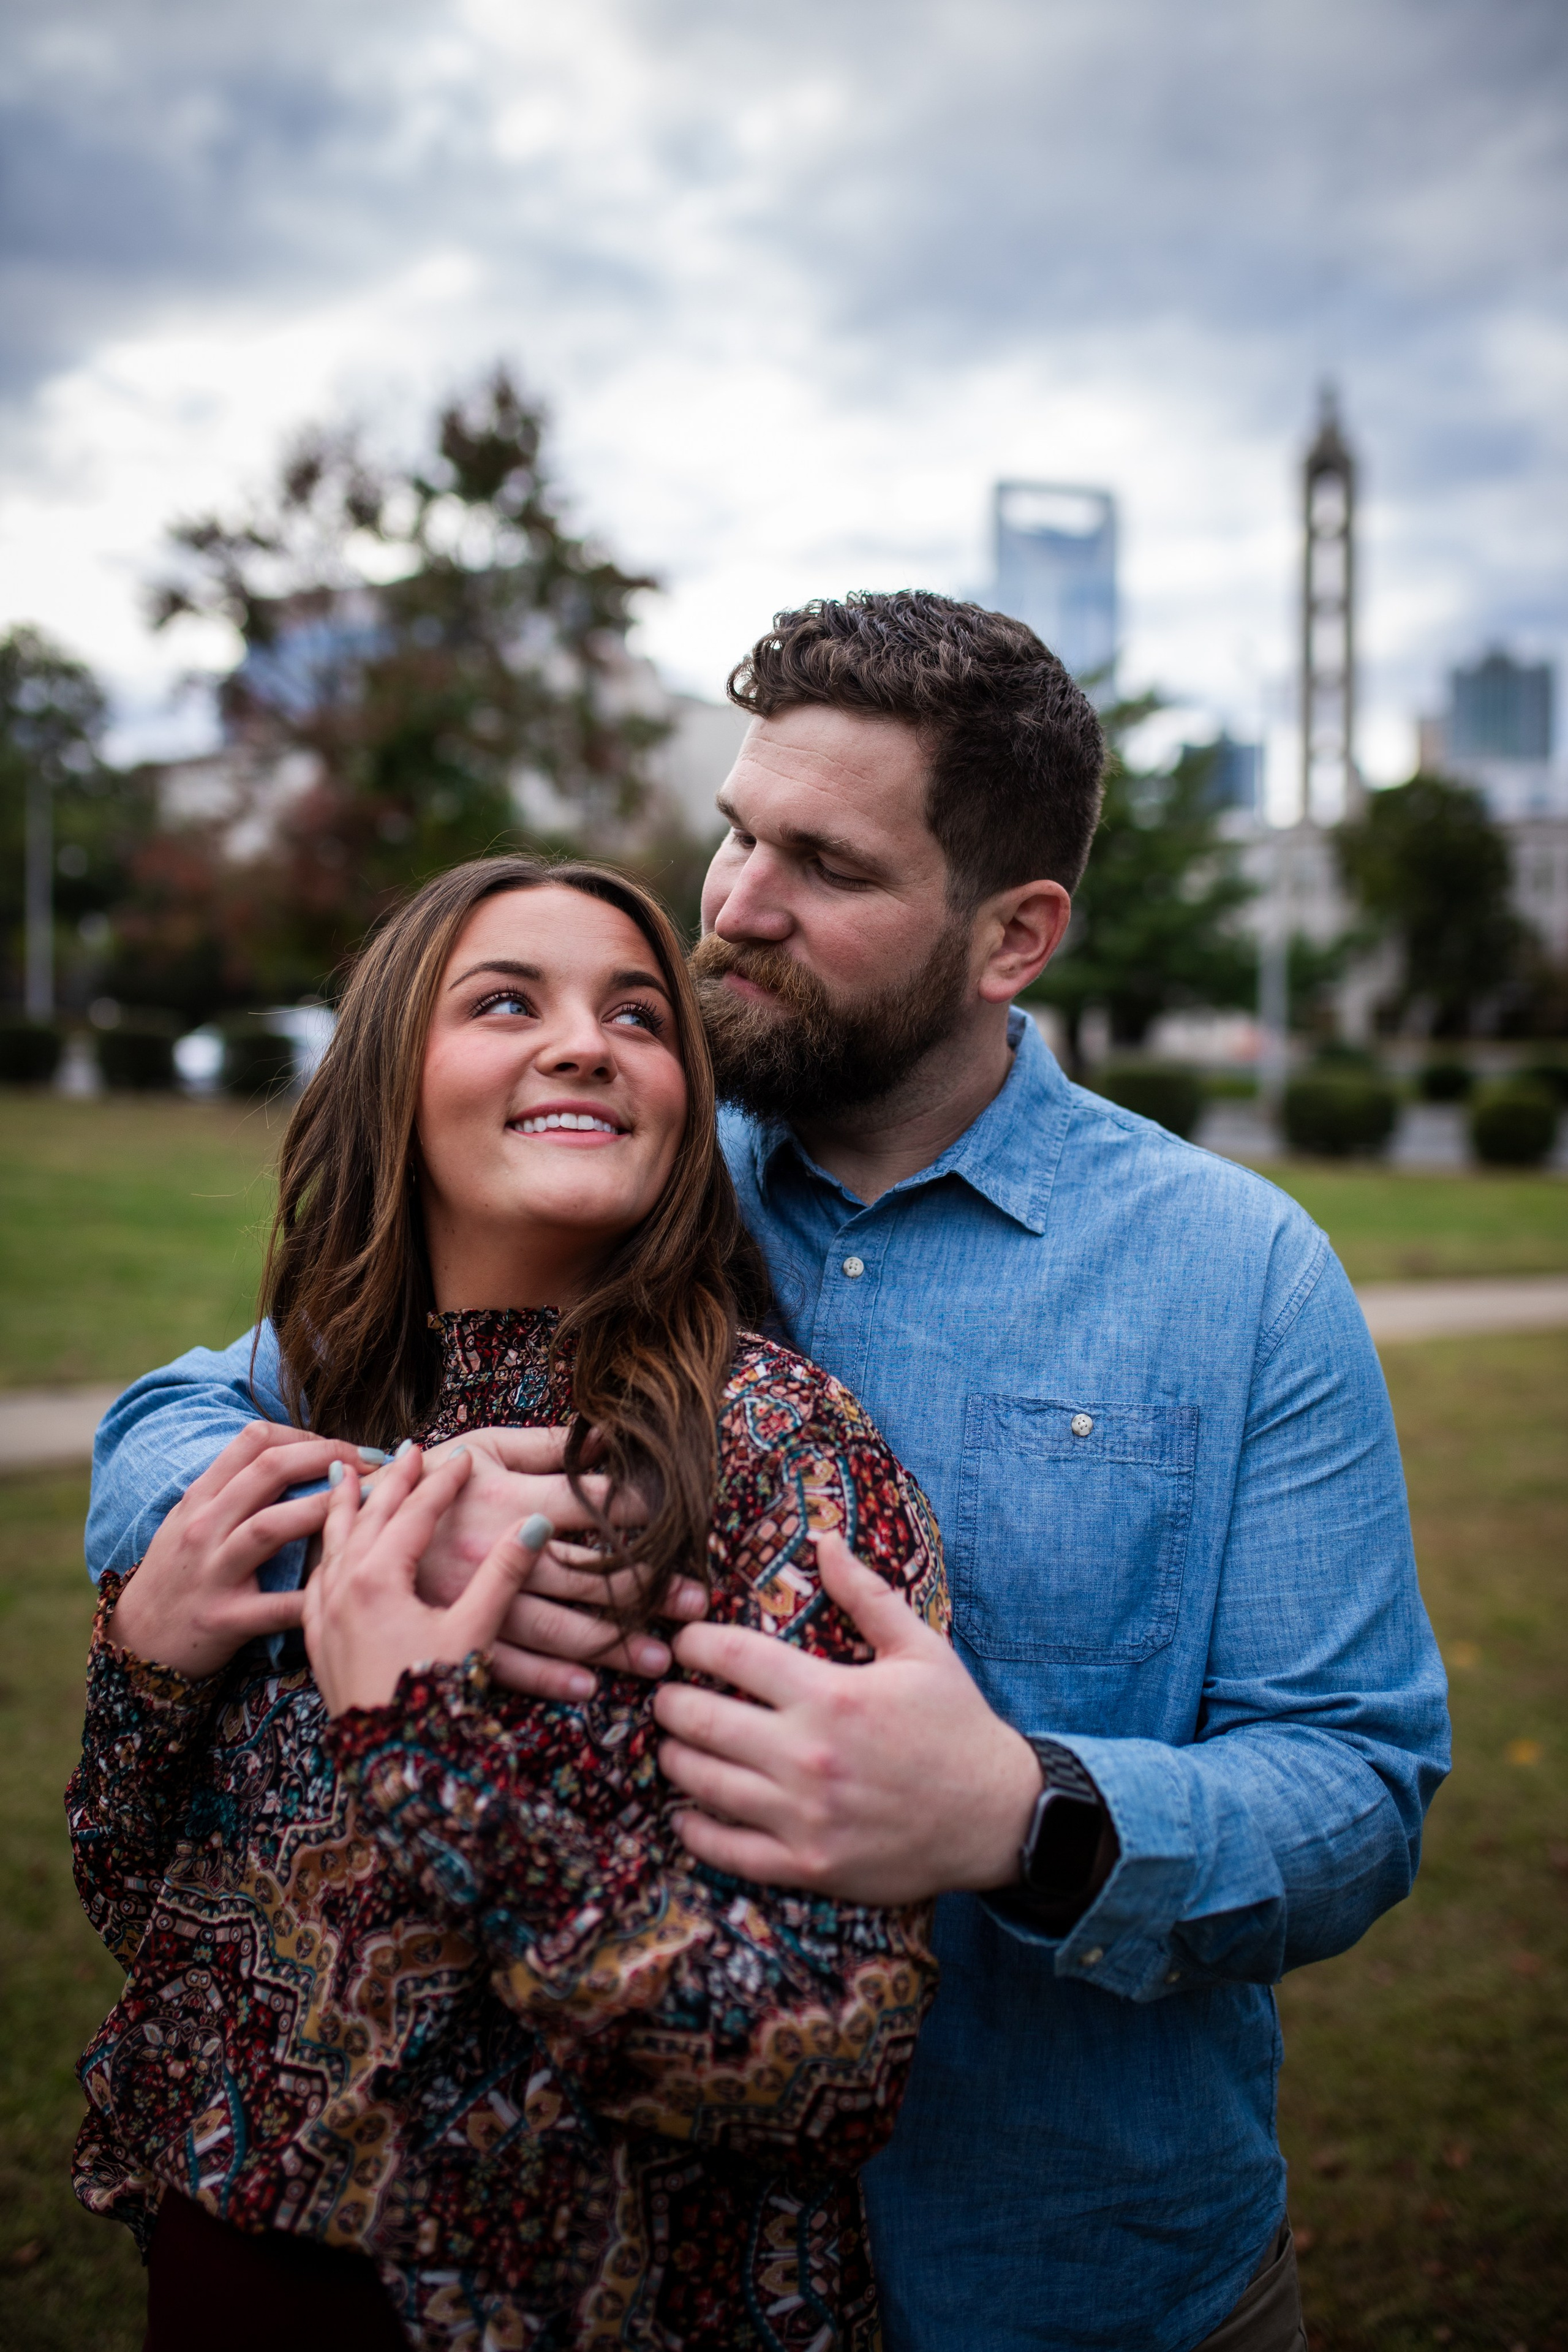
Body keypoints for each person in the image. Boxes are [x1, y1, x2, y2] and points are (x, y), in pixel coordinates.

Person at [87, 595, 1451, 2352]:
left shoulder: (1236, 1274)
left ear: (1011, 934)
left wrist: (1025, 1818)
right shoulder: (626, 1164)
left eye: (824, 862)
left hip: (1065, 2275)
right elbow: (176, 1419)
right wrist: (380, 1513)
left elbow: (1357, 1780)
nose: (733, 901)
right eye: (736, 831)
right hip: (627, 2275)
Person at [67, 855, 947, 2352]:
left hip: (600, 2300)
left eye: (637, 1015)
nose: (585, 1043)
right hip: (234, 2270)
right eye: (503, 1001)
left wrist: (423, 1747)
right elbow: (144, 1907)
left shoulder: (771, 1451)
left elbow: (828, 2065)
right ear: (389, 1078)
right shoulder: (288, 1431)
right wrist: (146, 1655)